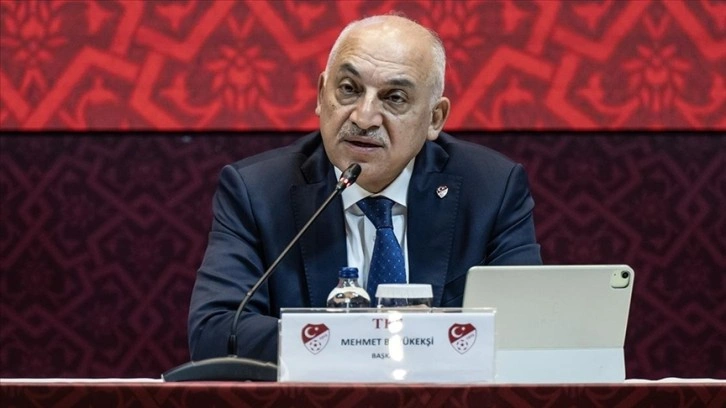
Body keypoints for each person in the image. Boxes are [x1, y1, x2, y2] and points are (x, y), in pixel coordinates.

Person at [188, 14, 541, 363]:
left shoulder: (491, 189)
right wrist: (358, 344)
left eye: (395, 98)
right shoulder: (258, 192)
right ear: (321, 94)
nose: (364, 117)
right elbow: (215, 331)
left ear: (434, 118)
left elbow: (526, 332)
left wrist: (354, 343)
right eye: (349, 89)